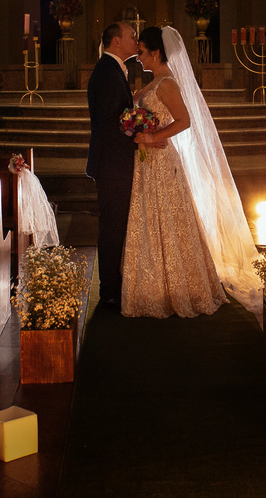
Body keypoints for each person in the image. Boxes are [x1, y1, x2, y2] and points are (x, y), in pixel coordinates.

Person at [122, 26, 229, 318]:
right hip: (148, 161)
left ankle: (180, 287)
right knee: (151, 218)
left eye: (142, 52)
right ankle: (154, 285)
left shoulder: (167, 83)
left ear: (155, 53)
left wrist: (152, 137)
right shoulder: (154, 82)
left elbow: (184, 120)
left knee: (167, 219)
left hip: (162, 159)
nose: (139, 58)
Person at [86, 21, 139, 309]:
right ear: (116, 41)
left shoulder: (112, 68)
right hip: (112, 163)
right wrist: (138, 137)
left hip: (113, 161)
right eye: (132, 36)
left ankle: (113, 283)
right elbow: (110, 124)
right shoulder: (107, 72)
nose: (136, 40)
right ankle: (109, 288)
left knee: (115, 224)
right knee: (112, 225)